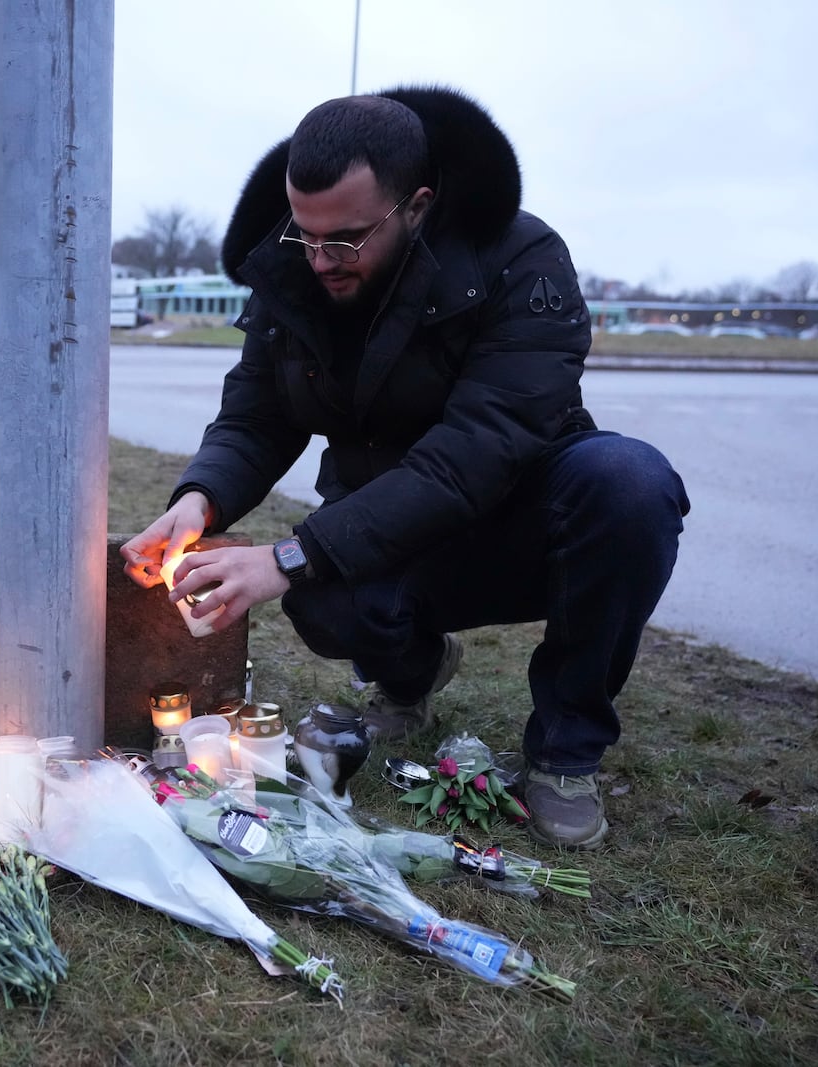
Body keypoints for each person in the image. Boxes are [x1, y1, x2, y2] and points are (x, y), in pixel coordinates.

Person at [120, 88, 690, 850]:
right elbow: (257, 414)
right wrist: (199, 501)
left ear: (416, 206)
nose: (321, 261)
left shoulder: (520, 259)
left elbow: (475, 453)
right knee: (321, 604)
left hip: (521, 516)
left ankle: (565, 749)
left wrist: (295, 553)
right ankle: (412, 674)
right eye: (306, 237)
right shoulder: (297, 267)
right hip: (391, 520)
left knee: (631, 485)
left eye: (346, 241)